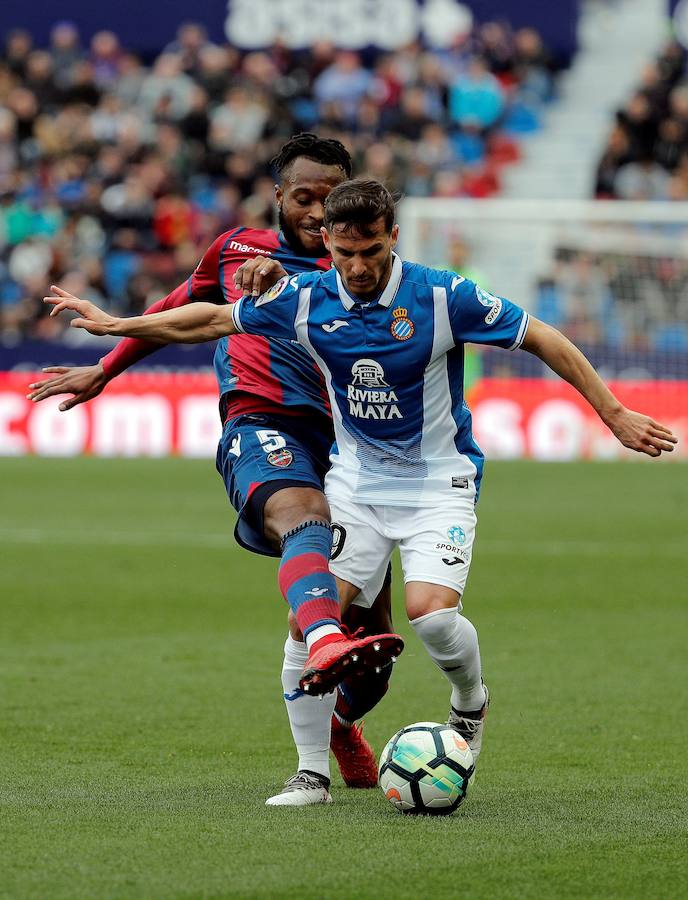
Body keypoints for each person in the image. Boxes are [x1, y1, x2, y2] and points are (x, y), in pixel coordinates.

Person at [42, 178, 678, 792]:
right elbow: (207, 320)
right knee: (310, 617)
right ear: (330, 245)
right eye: (344, 253)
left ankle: (469, 700)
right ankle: (309, 773)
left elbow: (541, 337)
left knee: (431, 619)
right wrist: (113, 326)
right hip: (356, 482)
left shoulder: (443, 295)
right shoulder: (308, 296)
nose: (358, 266)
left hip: (438, 482)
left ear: (392, 237)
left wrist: (613, 412)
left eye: (371, 251)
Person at [29, 138, 405, 807]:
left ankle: (345, 719)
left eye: (331, 198)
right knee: (301, 514)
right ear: (279, 196)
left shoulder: (365, 269)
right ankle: (315, 685)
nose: (319, 213)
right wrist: (106, 368)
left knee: (375, 647)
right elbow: (184, 308)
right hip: (261, 422)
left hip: (351, 444)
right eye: (304, 197)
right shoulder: (234, 251)